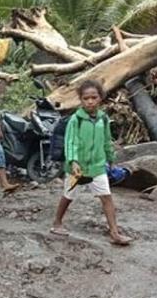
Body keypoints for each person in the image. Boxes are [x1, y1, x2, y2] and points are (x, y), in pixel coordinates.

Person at [50, 79, 132, 246]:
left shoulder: (103, 119)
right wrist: (73, 161)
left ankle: (115, 233)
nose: (90, 101)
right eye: (86, 98)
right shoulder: (76, 120)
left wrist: (110, 159)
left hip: (97, 167)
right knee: (68, 195)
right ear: (81, 99)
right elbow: (70, 142)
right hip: (77, 169)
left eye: (94, 97)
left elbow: (107, 141)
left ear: (100, 98)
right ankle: (57, 222)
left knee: (106, 198)